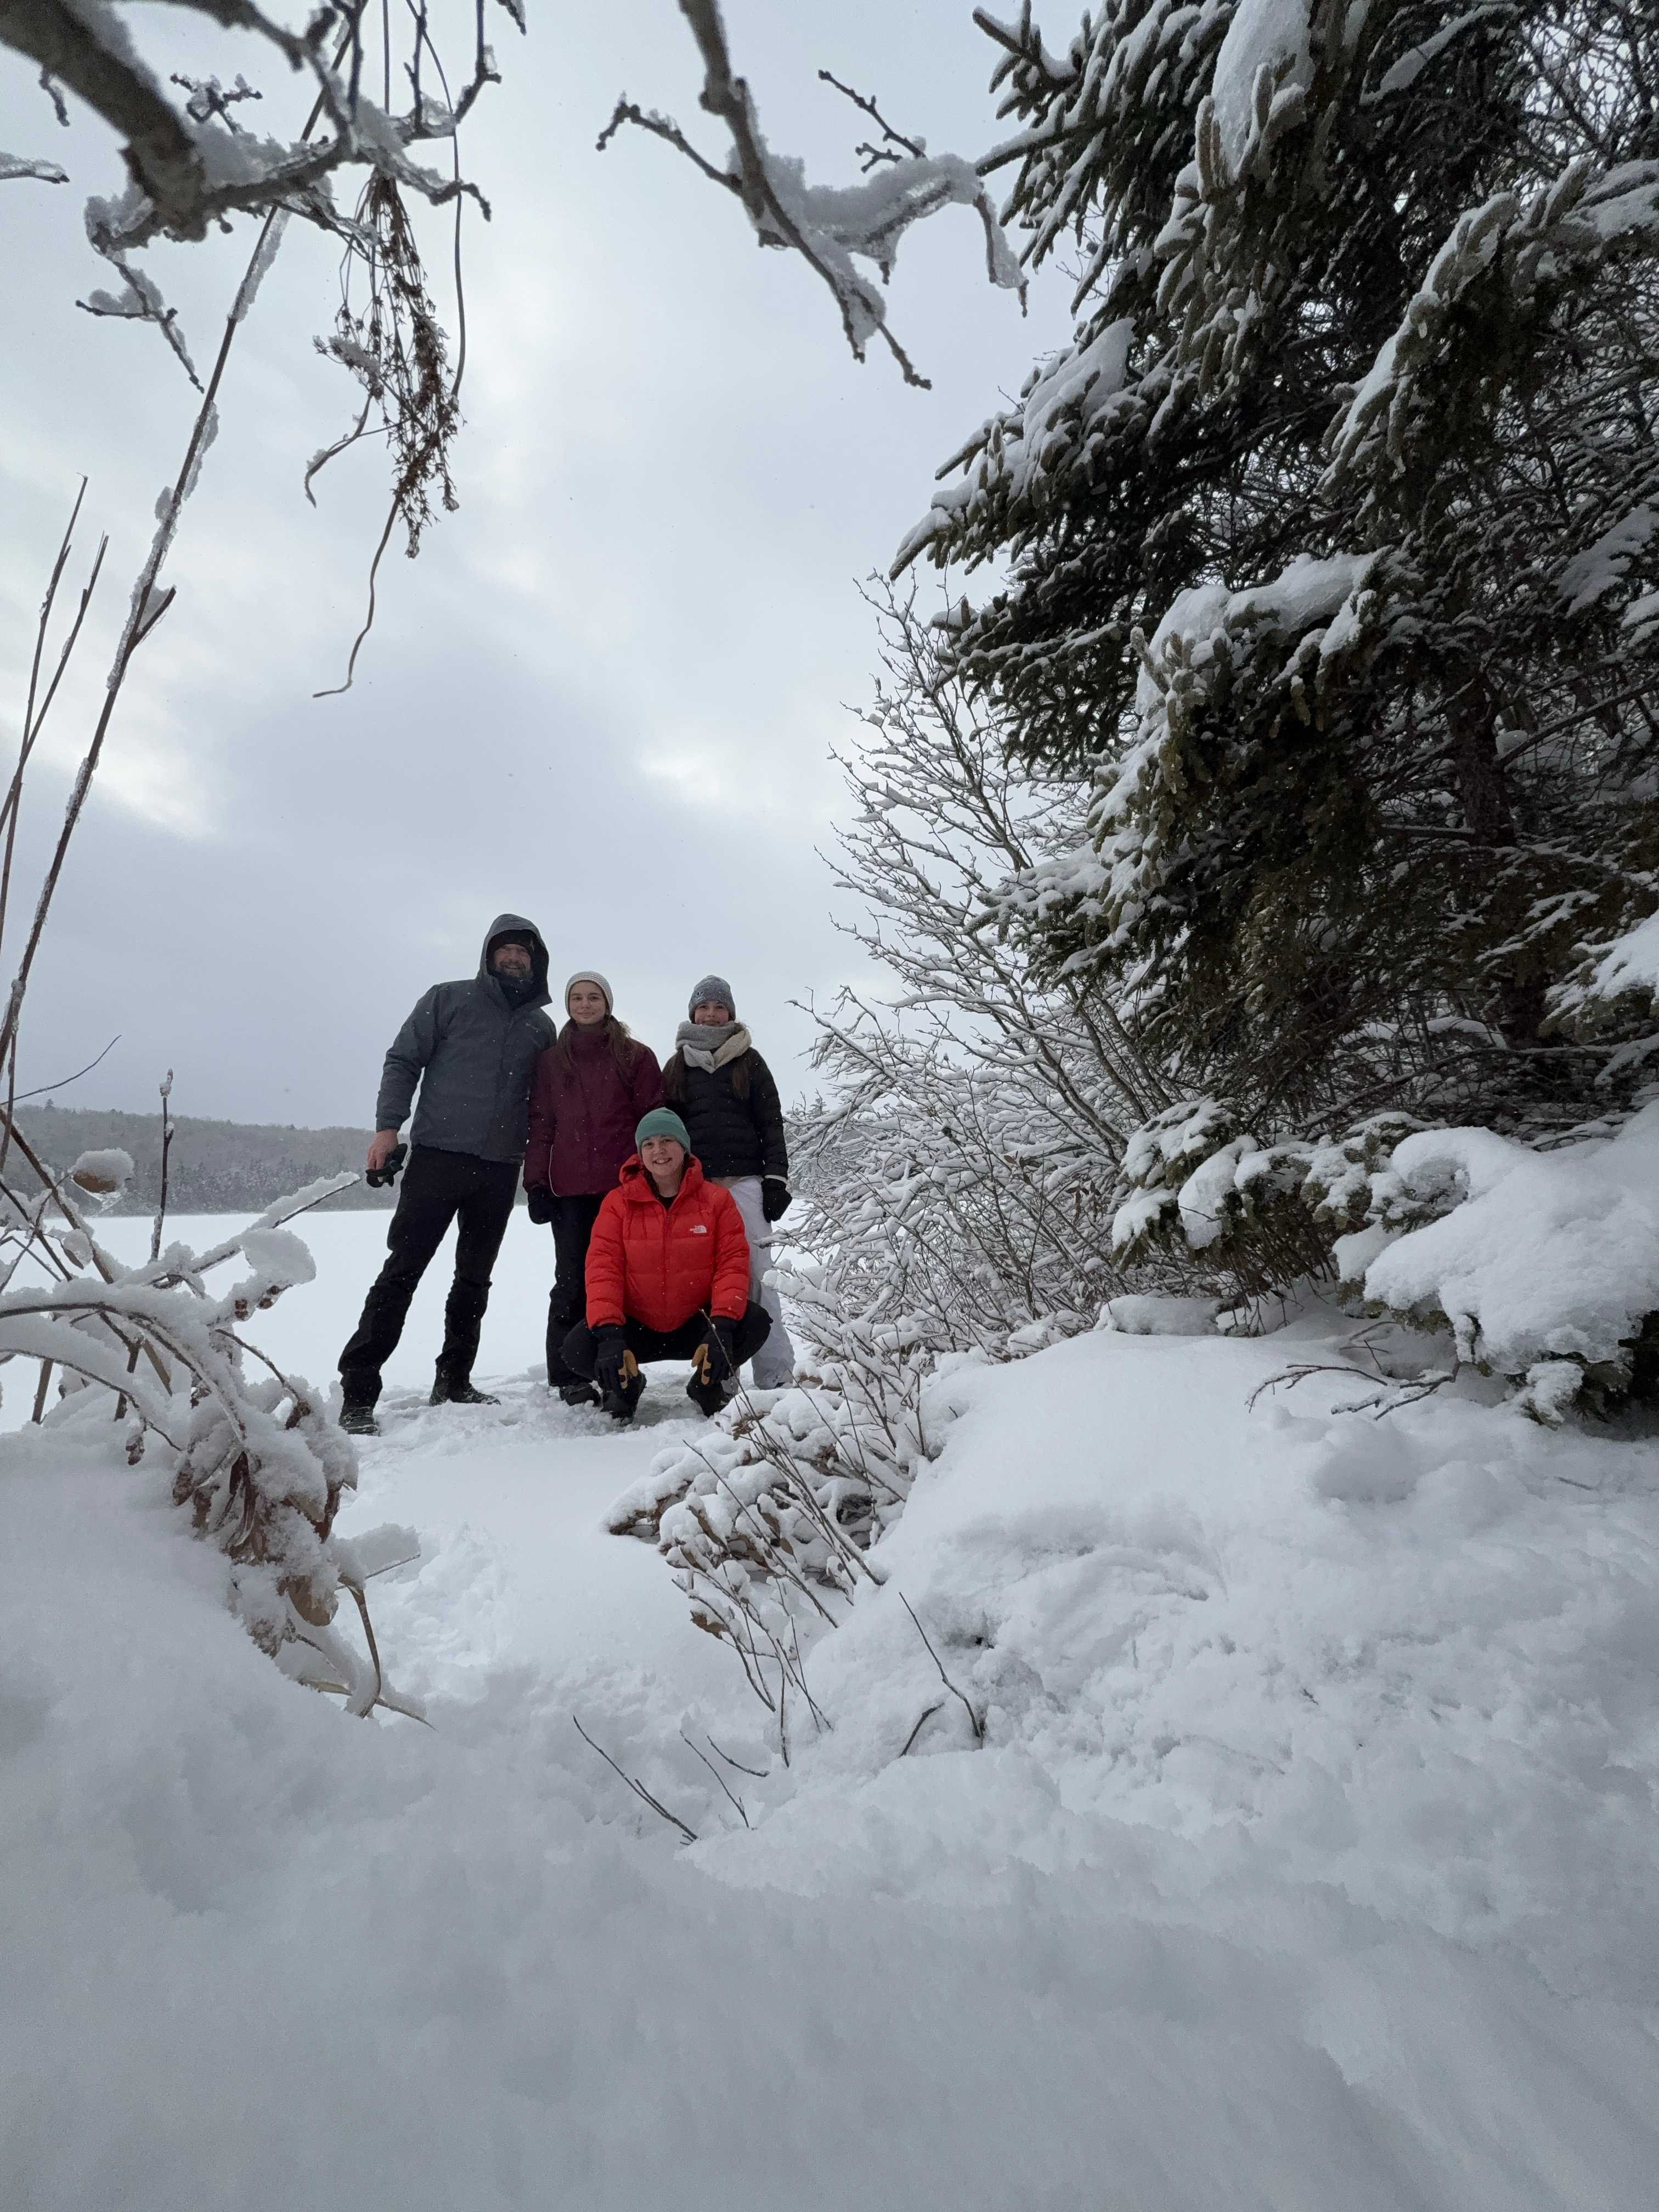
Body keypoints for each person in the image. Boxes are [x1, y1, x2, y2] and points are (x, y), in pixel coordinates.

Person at [337, 915, 556, 1434]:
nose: (514, 957)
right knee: (403, 1271)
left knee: (474, 1279)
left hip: (499, 1167)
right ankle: (358, 1393)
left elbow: (547, 1103)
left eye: (523, 951)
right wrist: (388, 1129)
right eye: (505, 949)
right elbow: (402, 1060)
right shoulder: (449, 999)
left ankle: (454, 1380)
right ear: (489, 953)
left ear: (536, 961)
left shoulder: (541, 1028)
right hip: (437, 1159)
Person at [561, 1107, 772, 1422]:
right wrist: (610, 1335)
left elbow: (732, 1264)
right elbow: (604, 1270)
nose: (658, 1151)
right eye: (649, 1144)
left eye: (667, 1141)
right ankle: (626, 1387)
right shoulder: (618, 1203)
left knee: (754, 1322)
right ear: (640, 1153)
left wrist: (722, 1327)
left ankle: (706, 1386)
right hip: (636, 1327)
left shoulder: (716, 1200)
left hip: (696, 1323)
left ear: (684, 1147)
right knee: (577, 1348)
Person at [523, 970, 662, 1404]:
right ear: (568, 1005)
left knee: (623, 1280)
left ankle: (622, 1369)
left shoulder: (635, 1056)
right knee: (571, 1281)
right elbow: (542, 1125)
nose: (585, 1005)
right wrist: (535, 1183)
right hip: (568, 1193)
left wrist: (656, 1180)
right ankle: (568, 1375)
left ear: (608, 1003)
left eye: (594, 997)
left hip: (624, 1190)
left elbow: (653, 1122)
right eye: (577, 998)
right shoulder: (551, 1061)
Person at [659, 974, 796, 1389]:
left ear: (731, 1014)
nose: (712, 1014)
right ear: (693, 1013)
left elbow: (771, 1124)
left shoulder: (750, 1061)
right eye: (704, 1007)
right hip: (698, 1188)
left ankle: (775, 1373)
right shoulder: (677, 1067)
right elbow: (668, 1133)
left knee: (759, 1276)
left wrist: (776, 1180)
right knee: (710, 1281)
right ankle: (719, 1374)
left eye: (720, 1007)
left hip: (746, 1185)